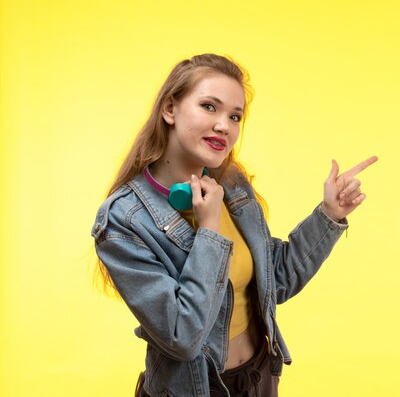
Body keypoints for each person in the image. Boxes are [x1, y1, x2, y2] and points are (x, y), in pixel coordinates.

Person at [91, 53, 377, 397]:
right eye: (209, 107)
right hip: (196, 389)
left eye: (235, 115)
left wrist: (330, 214)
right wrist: (209, 229)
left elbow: (277, 279)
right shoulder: (124, 221)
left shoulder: (232, 184)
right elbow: (183, 336)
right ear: (170, 109)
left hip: (258, 377)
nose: (224, 125)